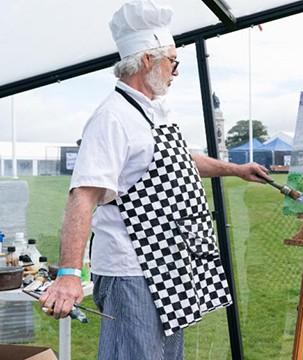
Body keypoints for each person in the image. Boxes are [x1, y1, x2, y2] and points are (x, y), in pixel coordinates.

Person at [39, 1, 270, 359]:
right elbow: (82, 194)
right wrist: (70, 273)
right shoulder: (112, 118)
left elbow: (179, 159)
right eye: (172, 62)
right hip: (133, 273)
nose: (176, 71)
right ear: (148, 60)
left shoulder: (151, 112)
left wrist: (236, 170)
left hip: (169, 267)